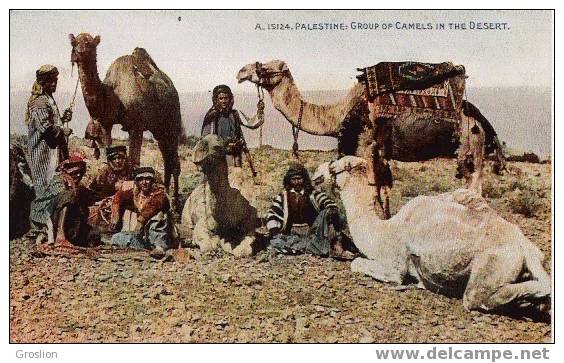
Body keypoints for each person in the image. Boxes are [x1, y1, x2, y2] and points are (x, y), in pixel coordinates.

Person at [265, 163, 354, 258]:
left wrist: (330, 209)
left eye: (299, 179)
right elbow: (273, 213)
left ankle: (330, 246)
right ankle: (314, 247)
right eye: (293, 179)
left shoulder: (312, 194)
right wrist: (274, 230)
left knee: (329, 212)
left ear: (304, 179)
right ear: (289, 181)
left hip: (314, 233)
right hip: (292, 234)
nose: (297, 182)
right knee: (277, 242)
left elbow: (325, 200)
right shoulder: (283, 196)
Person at [29, 153, 98, 247]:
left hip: (71, 225)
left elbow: (92, 197)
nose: (78, 175)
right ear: (68, 171)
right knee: (69, 196)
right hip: (49, 221)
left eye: (80, 172)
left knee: (94, 236)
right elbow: (47, 206)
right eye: (74, 172)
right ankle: (60, 236)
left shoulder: (77, 187)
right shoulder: (59, 182)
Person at [26, 64, 73, 195]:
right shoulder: (39, 101)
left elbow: (52, 123)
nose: (54, 84)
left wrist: (63, 119)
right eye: (50, 81)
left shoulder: (48, 98)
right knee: (43, 191)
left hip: (52, 155)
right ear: (42, 82)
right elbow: (46, 129)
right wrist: (63, 131)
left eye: (55, 81)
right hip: (42, 156)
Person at [110, 167, 174, 258]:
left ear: (152, 181)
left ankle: (160, 248)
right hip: (143, 234)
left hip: (162, 235)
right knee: (117, 238)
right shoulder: (136, 194)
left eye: (147, 179)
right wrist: (115, 214)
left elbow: (153, 206)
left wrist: (140, 221)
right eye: (140, 179)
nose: (144, 182)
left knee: (157, 217)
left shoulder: (160, 194)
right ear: (136, 182)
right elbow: (119, 196)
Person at [201, 84, 263, 167]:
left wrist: (260, 111)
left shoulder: (235, 113)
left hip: (235, 157)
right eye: (221, 98)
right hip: (218, 159)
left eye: (226, 98)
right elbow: (206, 140)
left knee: (236, 178)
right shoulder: (212, 116)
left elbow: (252, 124)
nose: (224, 101)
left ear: (230, 98)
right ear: (216, 100)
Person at [87, 146, 134, 234]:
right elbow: (93, 189)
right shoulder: (103, 172)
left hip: (125, 201)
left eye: (121, 158)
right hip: (104, 201)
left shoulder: (131, 170)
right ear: (110, 160)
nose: (118, 161)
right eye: (115, 158)